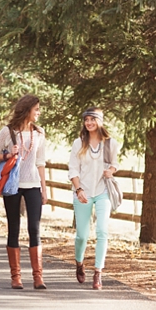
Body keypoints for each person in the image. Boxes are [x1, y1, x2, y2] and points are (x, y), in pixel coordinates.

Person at [0, 94, 49, 289]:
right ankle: (16, 277)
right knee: (13, 228)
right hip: (12, 185)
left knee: (35, 228)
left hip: (32, 184)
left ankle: (38, 277)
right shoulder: (7, 132)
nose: (39, 112)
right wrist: (8, 154)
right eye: (36, 109)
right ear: (27, 110)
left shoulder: (39, 133)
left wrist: (44, 189)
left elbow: (40, 163)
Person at [68, 108, 119, 290]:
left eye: (92, 119)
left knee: (102, 231)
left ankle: (98, 272)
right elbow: (73, 169)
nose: (89, 123)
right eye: (86, 120)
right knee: (82, 235)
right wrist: (79, 189)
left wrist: (110, 171)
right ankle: (79, 263)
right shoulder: (79, 143)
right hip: (83, 192)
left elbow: (115, 164)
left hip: (102, 191)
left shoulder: (110, 143)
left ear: (100, 121)